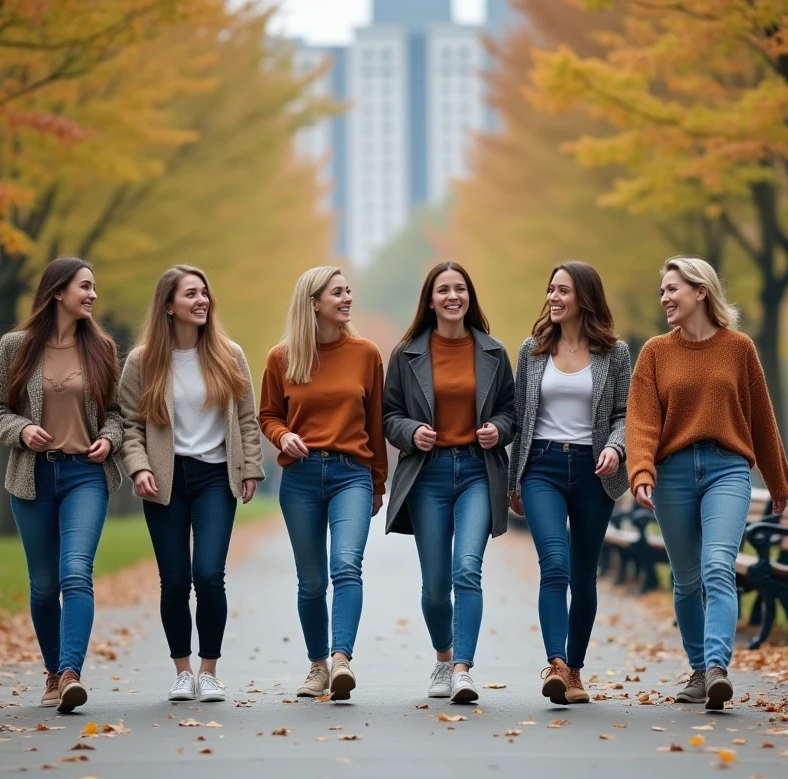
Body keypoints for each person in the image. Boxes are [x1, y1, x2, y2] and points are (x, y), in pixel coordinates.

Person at [626, 256, 788, 710]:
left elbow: (762, 418)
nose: (664, 298)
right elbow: (641, 422)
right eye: (662, 290)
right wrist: (641, 471)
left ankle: (718, 668)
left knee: (718, 566)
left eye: (672, 289)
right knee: (685, 580)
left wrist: (779, 483)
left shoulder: (739, 348)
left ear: (701, 291)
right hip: (673, 474)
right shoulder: (655, 352)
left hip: (727, 469)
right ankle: (698, 670)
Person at [118, 266, 264, 703]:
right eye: (191, 294)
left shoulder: (228, 354)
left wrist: (250, 468)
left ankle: (209, 670)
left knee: (208, 575)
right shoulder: (142, 362)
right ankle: (182, 672)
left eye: (204, 293)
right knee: (175, 580)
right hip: (163, 479)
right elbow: (129, 424)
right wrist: (138, 466)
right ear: (168, 305)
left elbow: (246, 419)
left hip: (215, 477)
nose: (202, 301)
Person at [0, 256, 123, 713]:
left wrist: (108, 438)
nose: (93, 295)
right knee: (44, 585)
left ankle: (70, 674)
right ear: (58, 291)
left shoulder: (102, 348)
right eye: (85, 286)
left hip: (86, 474)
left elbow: (119, 415)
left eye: (94, 286)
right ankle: (51, 671)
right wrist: (21, 430)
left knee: (75, 572)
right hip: (33, 476)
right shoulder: (15, 346)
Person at [382, 262, 516, 704]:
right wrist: (409, 433)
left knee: (467, 570)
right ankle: (443, 657)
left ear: (470, 297)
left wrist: (498, 428)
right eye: (444, 289)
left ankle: (462, 669)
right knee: (436, 584)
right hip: (429, 475)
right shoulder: (407, 354)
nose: (453, 296)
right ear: (431, 299)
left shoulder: (493, 351)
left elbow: (511, 411)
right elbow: (388, 415)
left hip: (477, 471)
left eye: (460, 288)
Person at [258, 266, 388, 701]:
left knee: (347, 565)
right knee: (311, 581)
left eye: (349, 290)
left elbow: (375, 424)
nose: (346, 298)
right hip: (300, 478)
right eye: (337, 292)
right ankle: (317, 667)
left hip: (351, 473)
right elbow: (268, 415)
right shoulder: (282, 358)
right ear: (313, 302)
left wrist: (378, 482)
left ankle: (341, 659)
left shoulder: (366, 353)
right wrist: (283, 436)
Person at [508, 261, 631, 705]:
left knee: (584, 576)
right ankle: (556, 664)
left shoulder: (615, 354)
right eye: (550, 289)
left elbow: (623, 414)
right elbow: (521, 420)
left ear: (584, 297)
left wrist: (615, 448)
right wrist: (512, 484)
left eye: (562, 290)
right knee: (554, 565)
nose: (553, 297)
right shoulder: (532, 350)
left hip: (594, 469)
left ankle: (575, 672)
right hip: (541, 466)